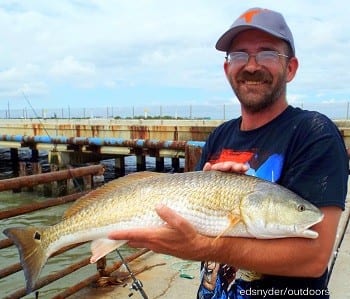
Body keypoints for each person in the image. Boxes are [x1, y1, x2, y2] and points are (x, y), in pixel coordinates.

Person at [109, 7, 348, 298]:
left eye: (268, 53)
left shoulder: (314, 133)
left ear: (291, 68)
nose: (251, 65)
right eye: (238, 55)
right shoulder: (219, 136)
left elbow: (314, 259)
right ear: (227, 69)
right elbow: (201, 224)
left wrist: (206, 246)